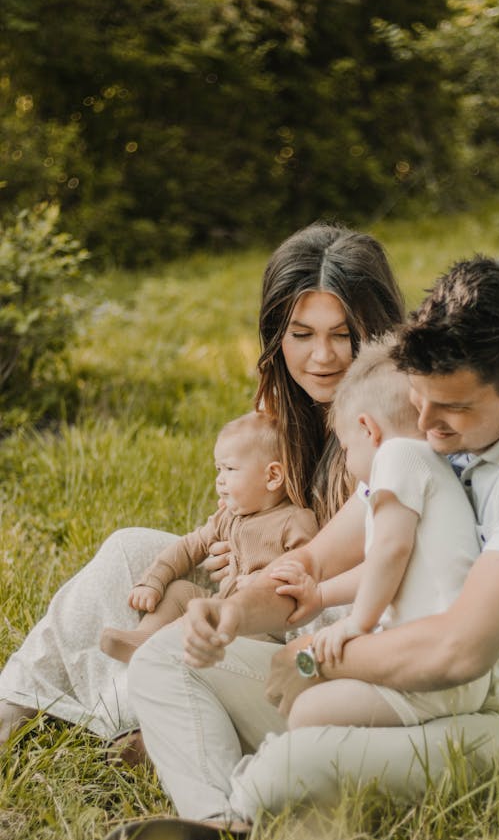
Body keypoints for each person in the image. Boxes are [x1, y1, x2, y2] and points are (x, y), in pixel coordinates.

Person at [104, 253, 499, 840]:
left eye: (448, 410)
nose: (424, 427)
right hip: (399, 691)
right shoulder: (446, 411)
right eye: (419, 402)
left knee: (299, 762)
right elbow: (315, 563)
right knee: (166, 659)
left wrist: (309, 661)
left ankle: (236, 810)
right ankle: (221, 827)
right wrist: (231, 611)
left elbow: (457, 652)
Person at [0, 222, 405, 748]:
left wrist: (271, 578)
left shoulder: (398, 412)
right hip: (260, 590)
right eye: (301, 335)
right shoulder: (283, 407)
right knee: (130, 550)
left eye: (342, 334)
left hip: (336, 613)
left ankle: (149, 716)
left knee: (317, 623)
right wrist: (236, 544)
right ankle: (16, 702)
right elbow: (243, 510)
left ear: (374, 329)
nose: (321, 357)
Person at [284, 338, 490, 730]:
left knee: (308, 711)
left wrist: (356, 625)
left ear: (368, 429)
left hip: (429, 667)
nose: (346, 462)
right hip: (444, 671)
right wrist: (322, 595)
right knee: (311, 696)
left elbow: (390, 551)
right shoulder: (427, 464)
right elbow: (386, 564)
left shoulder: (397, 456)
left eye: (345, 447)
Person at [99, 412, 319, 665]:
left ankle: (158, 651)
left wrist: (265, 581)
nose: (219, 480)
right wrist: (153, 581)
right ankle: (144, 638)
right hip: (223, 606)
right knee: (180, 592)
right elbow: (189, 546)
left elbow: (309, 568)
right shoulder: (230, 516)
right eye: (218, 469)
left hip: (264, 625)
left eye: (230, 469)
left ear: (272, 477)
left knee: (209, 624)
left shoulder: (294, 521)